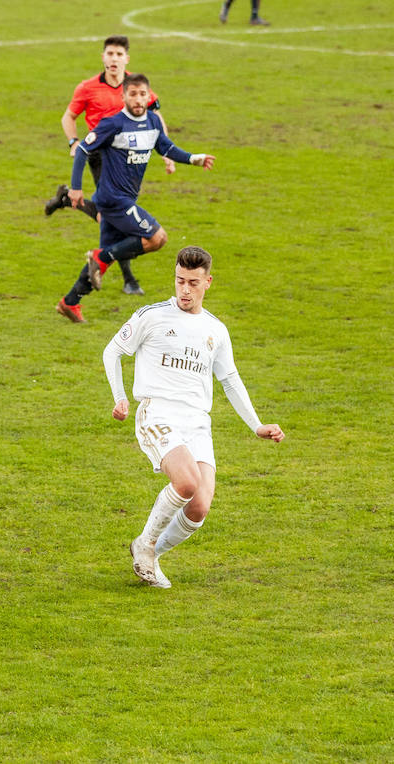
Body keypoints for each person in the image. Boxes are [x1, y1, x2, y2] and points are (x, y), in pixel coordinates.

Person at [103, 246, 286, 588]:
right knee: (186, 482)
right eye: (179, 281)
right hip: (158, 410)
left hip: (198, 421)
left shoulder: (216, 329)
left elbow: (230, 379)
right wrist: (120, 397)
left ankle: (151, 553)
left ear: (208, 282)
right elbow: (112, 351)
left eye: (192, 283)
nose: (184, 290)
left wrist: (257, 425)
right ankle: (144, 546)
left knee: (199, 505)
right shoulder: (152, 316)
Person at [56, 74, 214, 324]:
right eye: (133, 94)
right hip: (113, 199)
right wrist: (75, 188)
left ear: (149, 96)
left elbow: (167, 148)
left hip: (123, 198)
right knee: (157, 237)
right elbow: (83, 150)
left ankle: (70, 301)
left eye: (143, 94)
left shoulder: (152, 121)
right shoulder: (113, 124)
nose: (138, 99)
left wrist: (194, 158)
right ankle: (101, 258)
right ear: (124, 97)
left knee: (107, 253)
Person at [45, 35, 174, 297]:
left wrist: (167, 151)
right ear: (103, 57)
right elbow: (68, 116)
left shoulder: (135, 88)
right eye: (109, 53)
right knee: (117, 217)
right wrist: (73, 141)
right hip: (101, 156)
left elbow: (156, 116)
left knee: (115, 217)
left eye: (119, 54)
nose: (114, 58)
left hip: (130, 159)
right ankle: (128, 279)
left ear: (127, 58)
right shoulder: (87, 88)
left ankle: (68, 199)